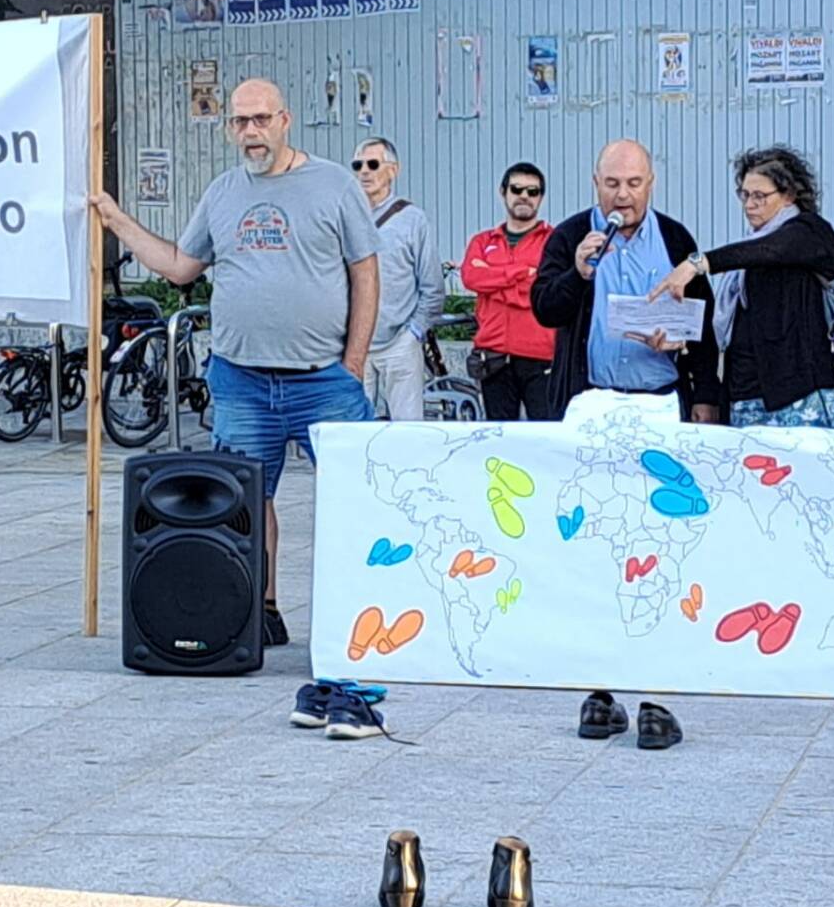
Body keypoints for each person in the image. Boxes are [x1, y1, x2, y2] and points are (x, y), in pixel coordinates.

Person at [90, 77, 378, 648]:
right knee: (245, 502)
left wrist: (354, 361)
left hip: (324, 379)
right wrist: (115, 219)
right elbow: (180, 266)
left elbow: (365, 274)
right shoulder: (222, 193)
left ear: (285, 120)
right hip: (242, 380)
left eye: (261, 119)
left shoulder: (334, 186)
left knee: (357, 496)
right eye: (240, 122)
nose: (251, 131)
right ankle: (260, 608)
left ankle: (364, 609)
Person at [651, 146, 834, 428]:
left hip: (800, 399)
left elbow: (771, 250)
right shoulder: (752, 246)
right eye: (745, 194)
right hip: (744, 398)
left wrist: (697, 263)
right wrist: (679, 334)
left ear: (789, 195)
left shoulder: (810, 233)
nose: (749, 204)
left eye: (760, 196)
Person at [530, 139, 720, 422]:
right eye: (612, 183)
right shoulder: (570, 235)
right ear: (596, 182)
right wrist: (577, 275)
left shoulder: (675, 237)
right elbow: (545, 311)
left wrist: (705, 394)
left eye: (634, 183)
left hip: (660, 401)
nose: (622, 195)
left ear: (650, 183)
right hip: (589, 400)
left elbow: (701, 323)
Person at [352, 137, 444, 421]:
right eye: (358, 165)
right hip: (355, 345)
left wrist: (413, 333)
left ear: (393, 170)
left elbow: (433, 286)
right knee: (355, 429)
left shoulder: (413, 219)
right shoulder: (344, 216)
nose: (364, 171)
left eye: (373, 164)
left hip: (400, 342)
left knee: (408, 431)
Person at [460, 162, 556, 420]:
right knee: (498, 436)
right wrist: (522, 273)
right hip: (493, 358)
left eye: (532, 191)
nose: (524, 196)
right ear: (503, 192)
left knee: (546, 435)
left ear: (541, 197)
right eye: (516, 189)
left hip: (541, 358)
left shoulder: (554, 241)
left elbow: (544, 290)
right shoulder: (482, 241)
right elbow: (471, 277)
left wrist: (493, 280)